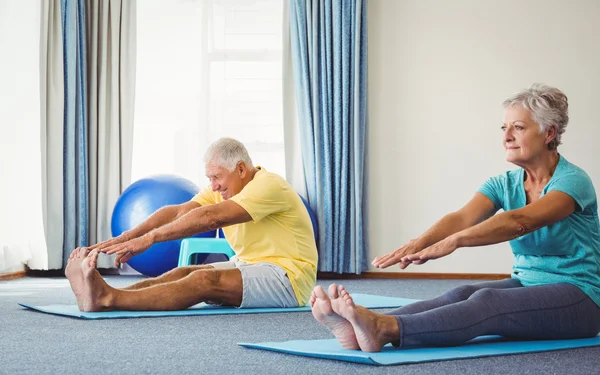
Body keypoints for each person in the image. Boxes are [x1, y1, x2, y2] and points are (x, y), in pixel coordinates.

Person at [311, 84, 600, 352]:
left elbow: (519, 221)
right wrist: (421, 242)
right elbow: (463, 217)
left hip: (581, 298)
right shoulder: (504, 183)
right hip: (527, 282)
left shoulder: (573, 182)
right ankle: (359, 326)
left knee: (488, 302)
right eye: (504, 127)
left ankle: (385, 329)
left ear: (549, 133)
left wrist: (456, 242)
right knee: (462, 292)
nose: (506, 136)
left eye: (518, 127)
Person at [66, 138, 318, 312]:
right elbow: (179, 211)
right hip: (251, 265)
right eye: (210, 178)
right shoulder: (223, 190)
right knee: (183, 272)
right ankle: (104, 292)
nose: (214, 186)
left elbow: (212, 218)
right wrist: (128, 236)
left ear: (241, 169)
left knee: (204, 280)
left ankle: (109, 299)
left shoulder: (268, 185)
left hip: (289, 279)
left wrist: (150, 239)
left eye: (217, 177)